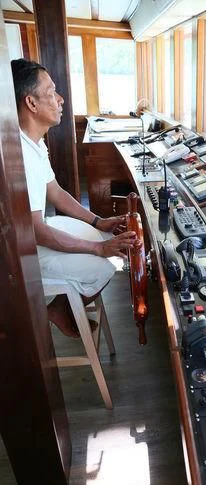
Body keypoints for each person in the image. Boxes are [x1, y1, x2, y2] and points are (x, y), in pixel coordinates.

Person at [11, 58, 137, 337]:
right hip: (22, 251)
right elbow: (35, 230)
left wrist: (97, 220)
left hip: (35, 234)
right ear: (31, 103)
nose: (61, 99)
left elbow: (54, 191)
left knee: (107, 241)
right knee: (106, 264)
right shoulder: (19, 155)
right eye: (52, 92)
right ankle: (59, 309)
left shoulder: (34, 140)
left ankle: (61, 308)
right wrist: (96, 249)